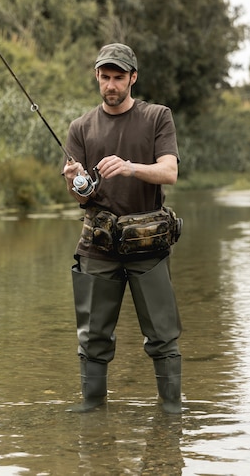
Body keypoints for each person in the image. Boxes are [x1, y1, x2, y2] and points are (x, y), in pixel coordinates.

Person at [62, 42, 182, 414]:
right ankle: (92, 413)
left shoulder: (157, 117)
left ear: (133, 78)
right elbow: (82, 198)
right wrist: (76, 181)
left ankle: (171, 415)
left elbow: (170, 172)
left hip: (148, 246)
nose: (110, 85)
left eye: (118, 78)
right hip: (97, 248)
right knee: (93, 338)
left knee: (162, 337)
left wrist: (130, 167)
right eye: (104, 77)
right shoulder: (80, 127)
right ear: (97, 77)